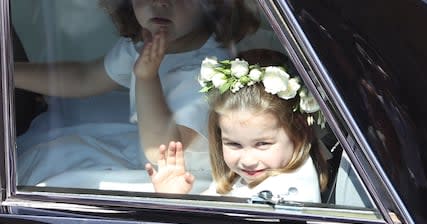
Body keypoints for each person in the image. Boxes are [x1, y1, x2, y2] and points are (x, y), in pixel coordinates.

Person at [14, 0, 260, 163]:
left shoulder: (212, 69)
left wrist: (146, 78)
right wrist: (10, 72)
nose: (159, 2)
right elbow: (85, 78)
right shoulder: (146, 44)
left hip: (179, 179)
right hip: (142, 152)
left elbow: (163, 151)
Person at [146, 51, 329, 202]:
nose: (248, 160)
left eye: (262, 144)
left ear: (298, 131)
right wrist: (174, 199)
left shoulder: (283, 194)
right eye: (234, 144)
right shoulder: (260, 175)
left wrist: (176, 203)